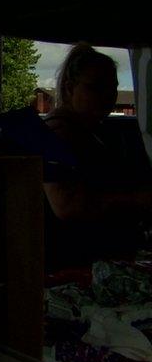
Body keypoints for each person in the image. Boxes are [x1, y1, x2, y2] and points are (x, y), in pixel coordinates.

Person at [43, 44, 152, 271]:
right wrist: (138, 200)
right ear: (70, 88)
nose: (108, 96)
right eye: (96, 88)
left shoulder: (92, 133)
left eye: (112, 88)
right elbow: (66, 205)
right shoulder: (56, 135)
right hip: (72, 266)